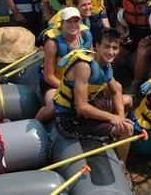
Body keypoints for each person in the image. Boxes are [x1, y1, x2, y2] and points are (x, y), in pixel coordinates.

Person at [52, 29, 134, 168]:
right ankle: (122, 166)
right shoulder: (84, 66)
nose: (111, 52)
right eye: (107, 46)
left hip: (89, 105)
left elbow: (116, 91)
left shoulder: (105, 65)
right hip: (70, 119)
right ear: (97, 46)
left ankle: (114, 136)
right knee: (128, 129)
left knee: (128, 100)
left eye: (115, 48)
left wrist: (120, 116)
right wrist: (111, 117)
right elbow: (82, 107)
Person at [35, 6, 93, 122]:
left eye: (76, 21)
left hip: (79, 82)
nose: (73, 25)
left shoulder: (86, 35)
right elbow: (48, 76)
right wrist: (70, 89)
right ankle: (37, 122)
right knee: (53, 107)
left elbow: (91, 57)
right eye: (69, 21)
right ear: (62, 24)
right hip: (55, 83)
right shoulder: (52, 43)